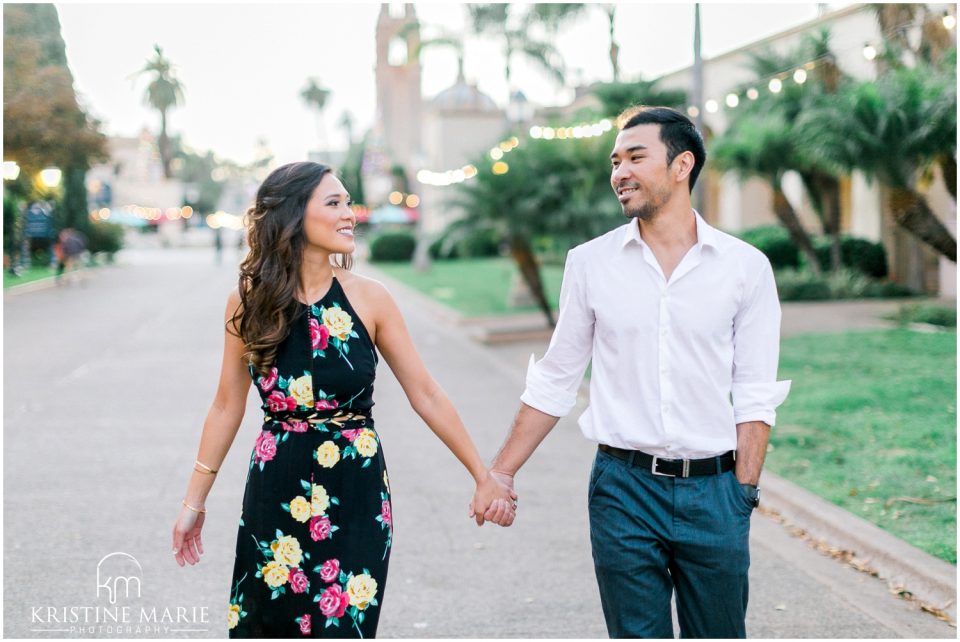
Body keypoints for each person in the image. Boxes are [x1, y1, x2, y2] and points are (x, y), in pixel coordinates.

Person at [471, 106, 791, 638]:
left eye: (635, 157)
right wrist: (501, 471)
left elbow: (755, 392)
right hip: (623, 490)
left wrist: (743, 494)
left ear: (682, 164)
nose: (619, 172)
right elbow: (556, 378)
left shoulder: (745, 268)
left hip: (716, 492)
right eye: (615, 161)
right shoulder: (590, 263)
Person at [171, 161, 516, 638]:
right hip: (277, 484)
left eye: (348, 202)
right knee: (268, 625)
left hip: (356, 487)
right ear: (293, 216)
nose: (349, 213)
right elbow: (227, 406)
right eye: (333, 203)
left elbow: (426, 393)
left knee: (344, 626)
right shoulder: (248, 301)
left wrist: (483, 476)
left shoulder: (371, 299)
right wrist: (195, 501)